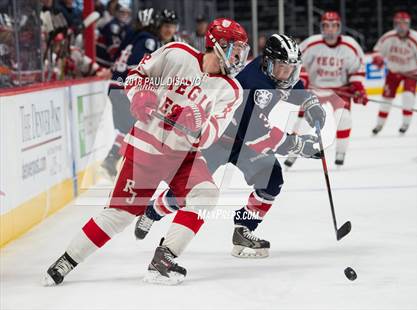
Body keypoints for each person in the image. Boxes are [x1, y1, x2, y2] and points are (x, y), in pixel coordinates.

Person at [43, 18, 250, 286]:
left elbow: (210, 135)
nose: (238, 56)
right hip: (145, 149)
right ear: (217, 45)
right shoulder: (177, 52)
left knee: (207, 193)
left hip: (184, 157)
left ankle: (163, 260)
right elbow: (136, 75)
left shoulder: (231, 90)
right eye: (234, 49)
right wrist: (140, 95)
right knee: (119, 215)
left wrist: (196, 119)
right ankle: (66, 260)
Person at [133, 34, 325, 258]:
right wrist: (298, 145)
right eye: (281, 67)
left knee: (272, 180)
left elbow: (291, 87)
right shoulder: (254, 86)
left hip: (243, 142)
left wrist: (309, 101)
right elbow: (257, 134)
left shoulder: (270, 72)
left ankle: (243, 229)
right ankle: (152, 212)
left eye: (290, 68)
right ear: (268, 62)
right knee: (187, 192)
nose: (286, 74)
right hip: (216, 139)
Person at [284, 11, 368, 167]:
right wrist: (303, 80)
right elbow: (297, 62)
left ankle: (340, 153)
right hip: (316, 90)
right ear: (322, 27)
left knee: (344, 119)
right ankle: (293, 154)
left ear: (339, 27)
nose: (330, 29)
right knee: (304, 124)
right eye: (326, 26)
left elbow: (358, 68)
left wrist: (358, 87)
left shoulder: (350, 44)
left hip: (340, 91)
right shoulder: (312, 43)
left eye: (333, 26)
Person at [101, 8, 161, 178]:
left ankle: (116, 162)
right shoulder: (148, 40)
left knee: (128, 128)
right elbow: (135, 66)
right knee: (134, 128)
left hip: (116, 85)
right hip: (123, 87)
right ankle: (113, 160)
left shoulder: (133, 37)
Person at [371, 11, 417, 135]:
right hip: (394, 72)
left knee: (408, 97)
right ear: (395, 24)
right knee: (386, 99)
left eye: (404, 24)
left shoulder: (416, 38)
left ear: (408, 24)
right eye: (399, 23)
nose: (401, 26)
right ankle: (379, 124)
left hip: (411, 73)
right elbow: (377, 50)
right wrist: (378, 58)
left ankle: (405, 123)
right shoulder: (388, 37)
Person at [96, 4, 132, 68]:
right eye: (122, 12)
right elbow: (113, 50)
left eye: (127, 13)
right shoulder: (113, 26)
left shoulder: (125, 26)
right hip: (103, 62)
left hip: (109, 61)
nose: (125, 15)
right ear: (117, 12)